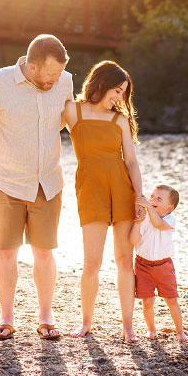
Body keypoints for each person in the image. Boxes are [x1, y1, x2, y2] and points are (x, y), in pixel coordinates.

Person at [0, 34, 73, 340]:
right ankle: (6, 317)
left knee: (44, 253)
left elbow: (73, 123)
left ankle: (45, 317)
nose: (56, 80)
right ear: (31, 66)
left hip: (48, 182)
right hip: (6, 183)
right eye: (50, 74)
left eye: (59, 73)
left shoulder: (65, 82)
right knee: (6, 254)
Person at [63, 60, 144, 343]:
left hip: (122, 190)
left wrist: (141, 196)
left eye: (123, 93)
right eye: (117, 91)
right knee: (92, 262)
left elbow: (131, 162)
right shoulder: (72, 111)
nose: (119, 98)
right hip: (90, 190)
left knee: (124, 260)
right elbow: (43, 133)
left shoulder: (120, 120)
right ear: (101, 83)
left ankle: (128, 327)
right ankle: (86, 323)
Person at [131, 185, 188, 343]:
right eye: (152, 196)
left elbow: (159, 225)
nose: (153, 199)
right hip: (143, 265)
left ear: (169, 208)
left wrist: (148, 206)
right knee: (147, 300)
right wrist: (138, 222)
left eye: (159, 198)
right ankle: (151, 329)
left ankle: (180, 331)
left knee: (171, 299)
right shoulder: (145, 217)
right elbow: (134, 240)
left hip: (164, 266)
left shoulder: (170, 219)